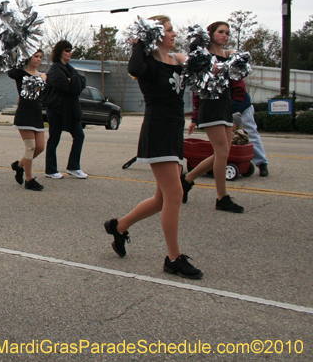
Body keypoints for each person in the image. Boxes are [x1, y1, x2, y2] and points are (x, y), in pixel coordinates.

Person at [104, 15, 203, 279]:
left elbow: (202, 66)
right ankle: (173, 258)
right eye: (169, 30)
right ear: (156, 34)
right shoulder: (146, 63)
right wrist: (140, 40)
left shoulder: (176, 60)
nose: (174, 34)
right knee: (175, 194)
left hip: (174, 130)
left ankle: (119, 226)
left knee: (162, 199)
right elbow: (135, 67)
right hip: (158, 130)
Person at [183, 21, 245, 213]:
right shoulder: (203, 56)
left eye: (227, 32)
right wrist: (194, 117)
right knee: (222, 154)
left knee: (222, 153)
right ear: (210, 34)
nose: (225, 35)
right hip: (210, 106)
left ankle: (186, 180)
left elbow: (241, 69)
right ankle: (222, 198)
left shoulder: (228, 55)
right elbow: (196, 89)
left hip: (225, 105)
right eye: (221, 32)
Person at [43, 40, 87, 179]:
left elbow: (82, 82)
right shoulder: (55, 69)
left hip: (72, 110)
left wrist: (72, 80)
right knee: (54, 139)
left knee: (79, 136)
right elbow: (64, 86)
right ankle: (50, 170)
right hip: (57, 110)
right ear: (60, 52)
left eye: (71, 50)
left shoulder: (69, 68)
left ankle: (74, 167)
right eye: (67, 50)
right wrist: (73, 82)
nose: (70, 52)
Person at [8, 51, 47, 191]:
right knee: (30, 147)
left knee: (40, 147)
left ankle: (19, 166)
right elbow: (10, 72)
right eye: (36, 56)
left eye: (41, 57)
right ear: (28, 57)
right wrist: (18, 58)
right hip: (24, 113)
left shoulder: (42, 75)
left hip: (37, 114)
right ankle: (29, 179)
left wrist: (43, 78)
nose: (39, 59)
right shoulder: (20, 73)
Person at [231, 78, 268, 177]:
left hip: (242, 107)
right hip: (222, 109)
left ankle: (262, 163)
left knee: (251, 134)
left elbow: (240, 92)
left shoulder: (231, 72)